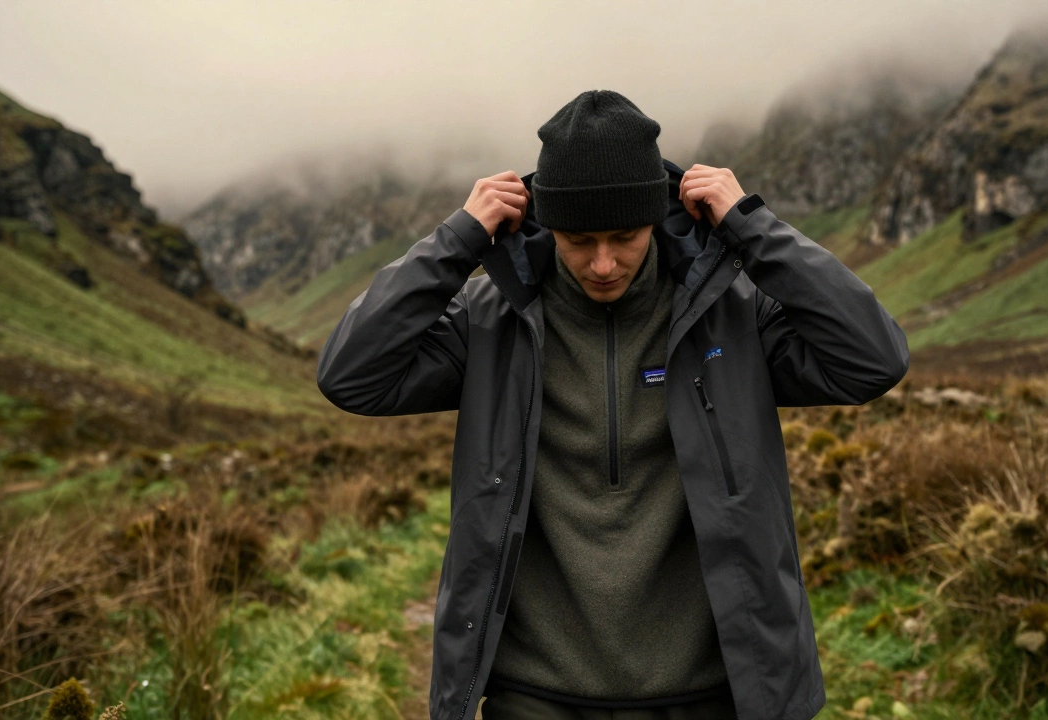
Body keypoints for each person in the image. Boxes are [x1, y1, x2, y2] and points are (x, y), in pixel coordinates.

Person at [316, 89, 910, 720]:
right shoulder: (489, 322)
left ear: (654, 217)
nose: (602, 263)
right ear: (548, 224)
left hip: (712, 693)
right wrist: (458, 239)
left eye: (624, 236)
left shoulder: (732, 315)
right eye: (578, 240)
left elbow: (873, 359)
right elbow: (351, 376)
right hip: (533, 694)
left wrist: (750, 224)